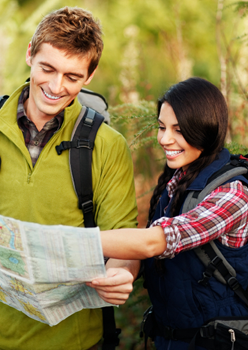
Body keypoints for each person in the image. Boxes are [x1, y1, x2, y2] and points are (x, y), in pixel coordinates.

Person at [91, 77, 248, 349]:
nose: (164, 138)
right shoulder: (178, 180)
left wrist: (67, 241)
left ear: (206, 130)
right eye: (162, 127)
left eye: (179, 129)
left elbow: (155, 241)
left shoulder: (233, 194)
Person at [0, 7, 139, 350]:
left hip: (74, 341)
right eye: (47, 68)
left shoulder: (108, 146)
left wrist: (122, 274)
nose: (55, 86)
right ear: (30, 52)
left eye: (72, 77)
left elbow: (124, 242)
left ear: (90, 76)